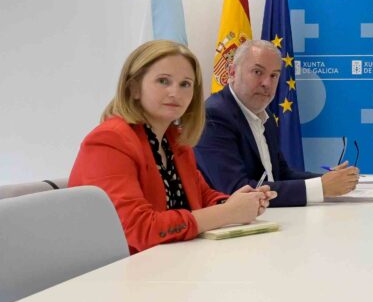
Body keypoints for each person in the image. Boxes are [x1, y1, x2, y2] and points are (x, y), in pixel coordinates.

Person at [69, 40, 274, 254]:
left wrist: (240, 202)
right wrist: (228, 212)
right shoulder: (109, 141)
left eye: (185, 84)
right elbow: (140, 229)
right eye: (163, 81)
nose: (175, 92)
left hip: (171, 260)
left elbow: (202, 196)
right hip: (119, 267)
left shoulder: (174, 139)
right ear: (134, 88)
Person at [195, 40, 358, 205]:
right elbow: (235, 189)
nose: (267, 83)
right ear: (232, 72)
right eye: (257, 72)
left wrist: (329, 179)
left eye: (274, 75)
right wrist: (321, 187)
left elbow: (280, 174)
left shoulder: (266, 116)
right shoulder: (213, 116)